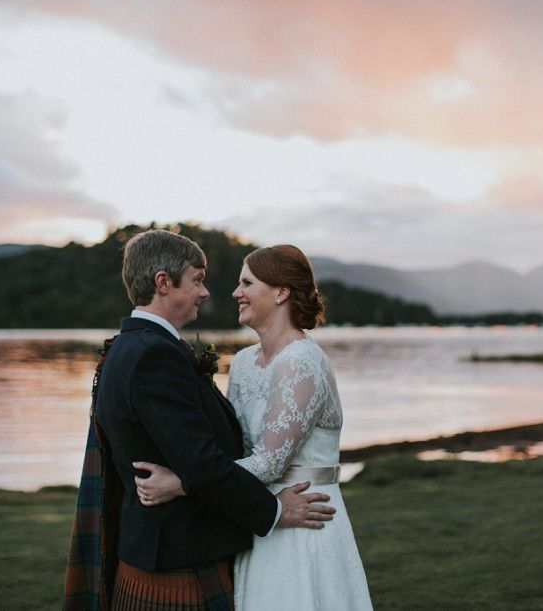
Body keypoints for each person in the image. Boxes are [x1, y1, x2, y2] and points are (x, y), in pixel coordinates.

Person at [65, 230, 336, 611]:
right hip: (178, 557)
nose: (207, 292)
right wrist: (274, 510)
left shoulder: (133, 348)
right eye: (197, 279)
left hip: (167, 550)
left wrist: (182, 482)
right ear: (163, 282)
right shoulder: (153, 357)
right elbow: (203, 462)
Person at [135, 244, 373, 610]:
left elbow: (269, 463)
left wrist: (181, 483)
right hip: (258, 515)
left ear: (281, 292)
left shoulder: (302, 362)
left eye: (246, 283)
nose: (235, 293)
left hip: (304, 519)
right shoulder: (244, 362)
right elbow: (236, 448)